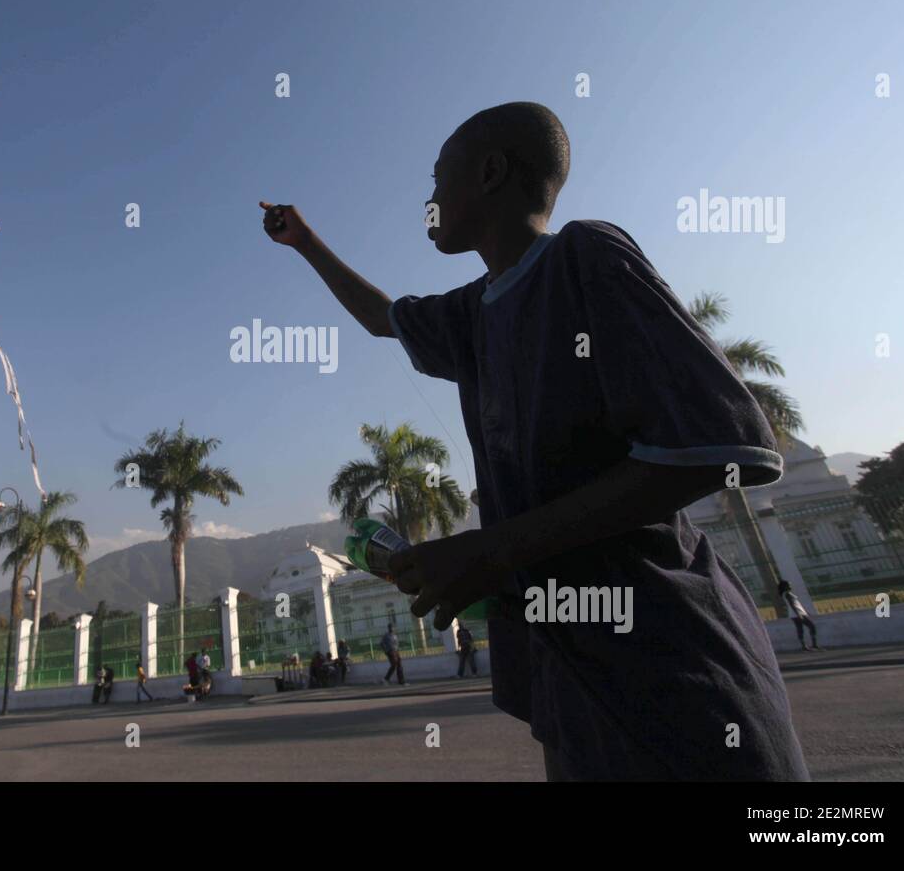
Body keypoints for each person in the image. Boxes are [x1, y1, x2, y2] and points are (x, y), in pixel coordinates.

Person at [262, 102, 810, 780]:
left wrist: (493, 551)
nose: (428, 200)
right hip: (570, 678)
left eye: (438, 180)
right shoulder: (472, 312)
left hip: (674, 667)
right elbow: (383, 318)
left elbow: (722, 441)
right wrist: (303, 239)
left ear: (490, 173)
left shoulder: (585, 257)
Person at [778, 581, 820, 651]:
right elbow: (792, 604)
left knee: (800, 629)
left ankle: (804, 646)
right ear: (784, 586)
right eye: (789, 585)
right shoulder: (787, 594)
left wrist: (805, 612)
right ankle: (814, 645)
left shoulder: (787, 594)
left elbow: (797, 604)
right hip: (797, 613)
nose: (790, 586)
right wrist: (799, 614)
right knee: (812, 626)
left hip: (797, 613)